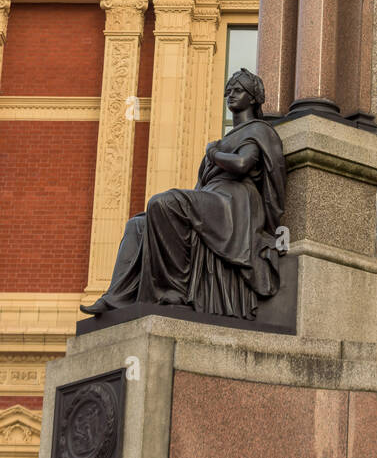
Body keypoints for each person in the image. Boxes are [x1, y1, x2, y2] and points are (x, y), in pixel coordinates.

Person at [80, 69, 285, 320]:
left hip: (234, 203)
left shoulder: (258, 131)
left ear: (253, 98)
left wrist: (213, 153)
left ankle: (175, 291)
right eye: (228, 91)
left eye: (238, 90)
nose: (230, 95)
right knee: (137, 225)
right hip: (213, 198)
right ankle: (117, 298)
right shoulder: (230, 137)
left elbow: (243, 164)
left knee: (164, 203)